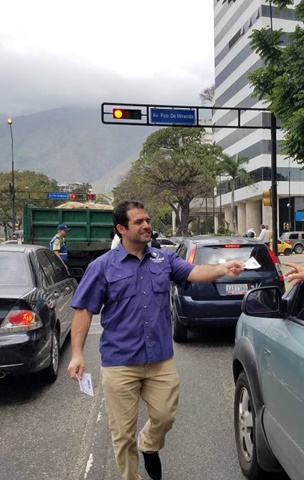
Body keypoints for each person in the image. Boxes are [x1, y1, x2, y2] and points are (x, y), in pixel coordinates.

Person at [67, 200, 244, 480]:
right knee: (122, 434)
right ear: (121, 229)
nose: (147, 225)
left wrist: (223, 269)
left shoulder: (165, 259)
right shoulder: (102, 267)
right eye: (138, 222)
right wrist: (77, 354)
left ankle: (149, 445)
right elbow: (84, 311)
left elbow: (194, 273)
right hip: (120, 362)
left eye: (147, 220)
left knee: (165, 416)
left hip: (160, 359)